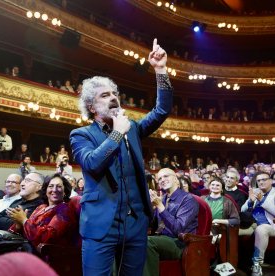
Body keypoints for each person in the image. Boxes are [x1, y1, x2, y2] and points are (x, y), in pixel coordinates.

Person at [69, 38, 172, 275]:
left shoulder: (132, 128)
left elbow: (162, 110)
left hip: (136, 224)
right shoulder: (81, 135)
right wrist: (117, 133)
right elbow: (93, 164)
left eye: (115, 93)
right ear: (92, 107)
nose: (114, 97)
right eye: (105, 95)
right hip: (100, 226)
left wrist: (160, 70)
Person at [143, 168, 198, 276]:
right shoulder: (162, 199)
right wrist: (151, 208)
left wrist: (160, 206)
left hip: (179, 243)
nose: (162, 179)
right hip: (160, 239)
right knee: (130, 240)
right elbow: (153, 227)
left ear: (176, 180)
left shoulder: (188, 199)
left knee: (147, 242)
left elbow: (178, 229)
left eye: (166, 176)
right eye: (159, 178)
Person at [7, 173, 78, 247]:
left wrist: (24, 220)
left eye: (59, 186)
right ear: (45, 190)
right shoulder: (41, 207)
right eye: (50, 186)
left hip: (46, 255)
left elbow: (46, 238)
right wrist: (19, 225)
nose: (54, 190)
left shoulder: (64, 210)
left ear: (65, 191)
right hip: (25, 248)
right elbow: (25, 233)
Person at [240, 172, 275, 276]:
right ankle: (231, 262)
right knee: (231, 228)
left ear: (271, 181)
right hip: (251, 224)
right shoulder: (255, 192)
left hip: (270, 225)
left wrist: (262, 200)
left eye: (264, 179)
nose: (261, 182)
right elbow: (242, 210)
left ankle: (257, 264)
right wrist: (250, 202)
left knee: (261, 229)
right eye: (259, 180)